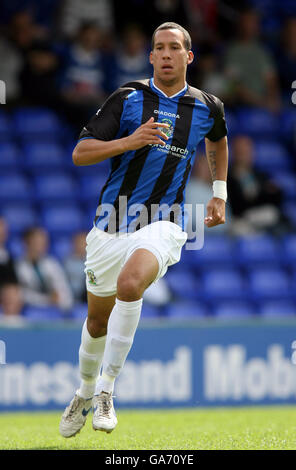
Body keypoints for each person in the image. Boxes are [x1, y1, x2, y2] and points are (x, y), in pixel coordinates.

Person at [59, 22, 228, 438]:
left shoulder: (208, 107)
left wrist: (219, 192)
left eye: (174, 47)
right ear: (150, 57)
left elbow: (219, 141)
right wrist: (128, 142)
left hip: (164, 223)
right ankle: (82, 391)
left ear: (189, 57)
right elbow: (81, 153)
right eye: (159, 48)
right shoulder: (128, 98)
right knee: (97, 323)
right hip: (110, 224)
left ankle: (106, 391)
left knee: (131, 285)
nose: (166, 54)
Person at [15, 227, 73, 312]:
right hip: (28, 312)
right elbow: (20, 295)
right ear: (26, 243)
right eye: (36, 242)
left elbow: (65, 294)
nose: (40, 245)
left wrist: (59, 300)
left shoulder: (52, 264)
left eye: (43, 242)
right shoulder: (18, 266)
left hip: (55, 313)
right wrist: (47, 300)